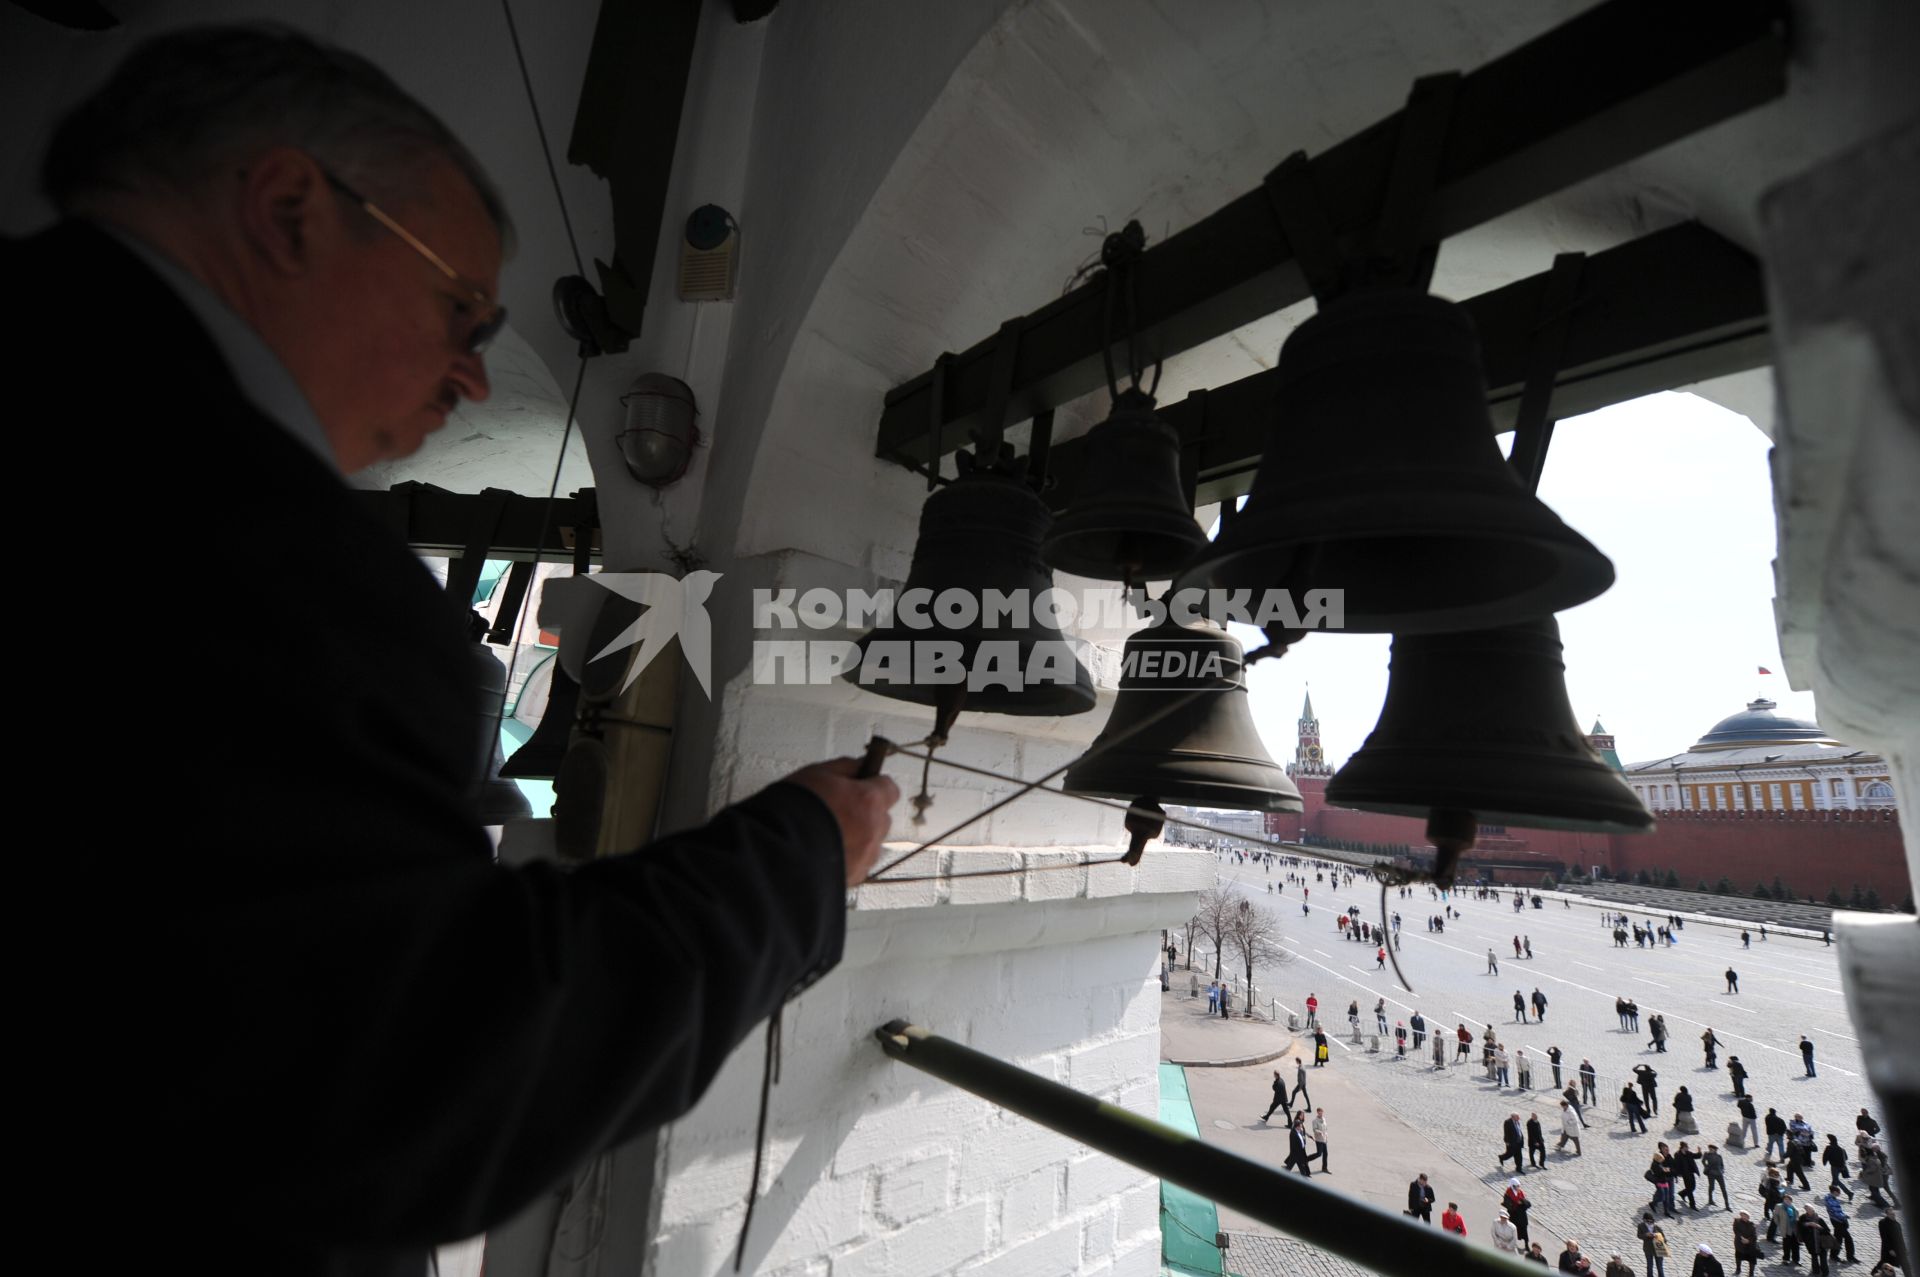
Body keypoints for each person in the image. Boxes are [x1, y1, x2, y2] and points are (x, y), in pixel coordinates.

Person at [17, 29, 904, 1273]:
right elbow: (432, 1070)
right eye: (459, 307)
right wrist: (800, 852)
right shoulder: (268, 553)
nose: (477, 379)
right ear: (286, 209)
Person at [1824, 1190, 1857, 1264]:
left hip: (1836, 1221)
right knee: (1848, 1238)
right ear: (1834, 1192)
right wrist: (1845, 1216)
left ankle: (1834, 1255)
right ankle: (1850, 1256)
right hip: (1838, 1221)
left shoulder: (1831, 1198)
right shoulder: (1831, 1200)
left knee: (1838, 1239)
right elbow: (1836, 1212)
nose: (1839, 1194)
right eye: (1838, 1192)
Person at [1824, 1133, 1857, 1198]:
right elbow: (1846, 1158)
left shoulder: (1829, 1148)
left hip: (1834, 1167)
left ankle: (1849, 1193)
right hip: (1841, 1167)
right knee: (1835, 1180)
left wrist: (1825, 1162)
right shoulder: (1841, 1149)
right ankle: (1832, 1193)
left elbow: (1825, 1156)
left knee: (1836, 1180)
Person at [1283, 1112, 1315, 1176]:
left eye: (1303, 1115)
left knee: (1299, 1166)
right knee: (1292, 1166)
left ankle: (1305, 1174)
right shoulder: (1294, 1131)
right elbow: (1293, 1144)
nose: (1302, 1116)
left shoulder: (1299, 1129)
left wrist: (1309, 1136)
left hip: (1300, 1150)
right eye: (1301, 1115)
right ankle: (1306, 1173)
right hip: (1297, 1152)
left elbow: (1303, 1132)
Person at [1641, 1213, 1672, 1277]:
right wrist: (1646, 1235)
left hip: (1658, 1248)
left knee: (1660, 1267)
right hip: (1648, 1249)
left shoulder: (1657, 1227)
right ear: (1644, 1220)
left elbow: (1664, 1238)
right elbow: (1639, 1235)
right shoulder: (1641, 1226)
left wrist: (1657, 1236)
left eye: (1651, 1221)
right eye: (1647, 1221)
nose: (1649, 1223)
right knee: (1649, 1266)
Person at [1505, 1179, 1534, 1246]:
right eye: (1516, 1186)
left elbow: (1523, 1200)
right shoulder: (1509, 1191)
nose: (1518, 1187)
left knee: (1523, 1228)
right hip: (1513, 1214)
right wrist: (1517, 1203)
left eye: (1518, 1186)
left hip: (1521, 1214)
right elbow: (1510, 1201)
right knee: (1512, 1228)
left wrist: (1521, 1202)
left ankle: (1526, 1244)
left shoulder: (1520, 1192)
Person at [1732, 1211, 1761, 1276]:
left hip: (1750, 1245)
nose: (1744, 1217)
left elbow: (1754, 1236)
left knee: (1752, 1260)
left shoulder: (1752, 1225)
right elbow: (1736, 1230)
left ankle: (1751, 1273)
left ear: (1748, 1217)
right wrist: (1742, 1238)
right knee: (1738, 1257)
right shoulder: (1737, 1221)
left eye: (1746, 1216)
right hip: (1740, 1243)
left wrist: (1748, 1240)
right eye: (1742, 1215)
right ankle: (1738, 1269)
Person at [1703, 1143, 1730, 1209]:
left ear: (1715, 1150)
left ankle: (1727, 1205)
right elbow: (1703, 1161)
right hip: (1711, 1174)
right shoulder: (1707, 1155)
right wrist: (1706, 1167)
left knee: (1723, 1189)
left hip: (1719, 1174)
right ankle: (1710, 1200)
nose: (1710, 1150)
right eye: (1709, 1149)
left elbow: (1722, 1165)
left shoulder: (1719, 1156)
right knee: (1711, 1187)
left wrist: (1722, 1170)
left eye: (1711, 1149)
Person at [1312, 1108, 1330, 1172]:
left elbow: (1326, 1129)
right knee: (1319, 1154)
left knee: (1325, 1153)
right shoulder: (1315, 1121)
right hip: (1319, 1139)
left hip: (1324, 1139)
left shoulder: (1324, 1119)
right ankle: (1306, 1159)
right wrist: (1319, 1132)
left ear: (1323, 1112)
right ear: (1317, 1113)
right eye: (1319, 1113)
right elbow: (1314, 1129)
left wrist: (1326, 1137)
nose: (1320, 1114)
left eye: (1321, 1112)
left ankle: (1324, 1168)